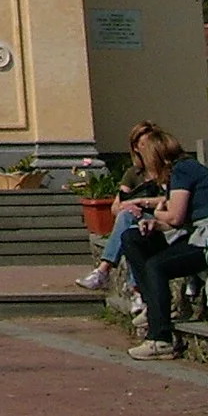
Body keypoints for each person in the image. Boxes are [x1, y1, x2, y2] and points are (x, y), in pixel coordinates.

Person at [119, 125, 208, 361]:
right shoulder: (179, 172)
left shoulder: (183, 171)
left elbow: (175, 216)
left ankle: (160, 339)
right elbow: (178, 220)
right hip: (197, 232)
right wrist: (155, 225)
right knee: (132, 239)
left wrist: (157, 217)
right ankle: (153, 307)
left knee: (157, 266)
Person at [75, 121, 165, 291]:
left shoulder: (167, 172)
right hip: (137, 222)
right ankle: (129, 286)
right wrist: (127, 206)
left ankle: (105, 272)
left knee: (131, 228)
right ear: (136, 148)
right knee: (127, 222)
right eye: (144, 144)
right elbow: (116, 207)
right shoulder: (133, 174)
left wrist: (141, 202)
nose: (149, 149)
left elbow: (170, 199)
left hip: (160, 220)